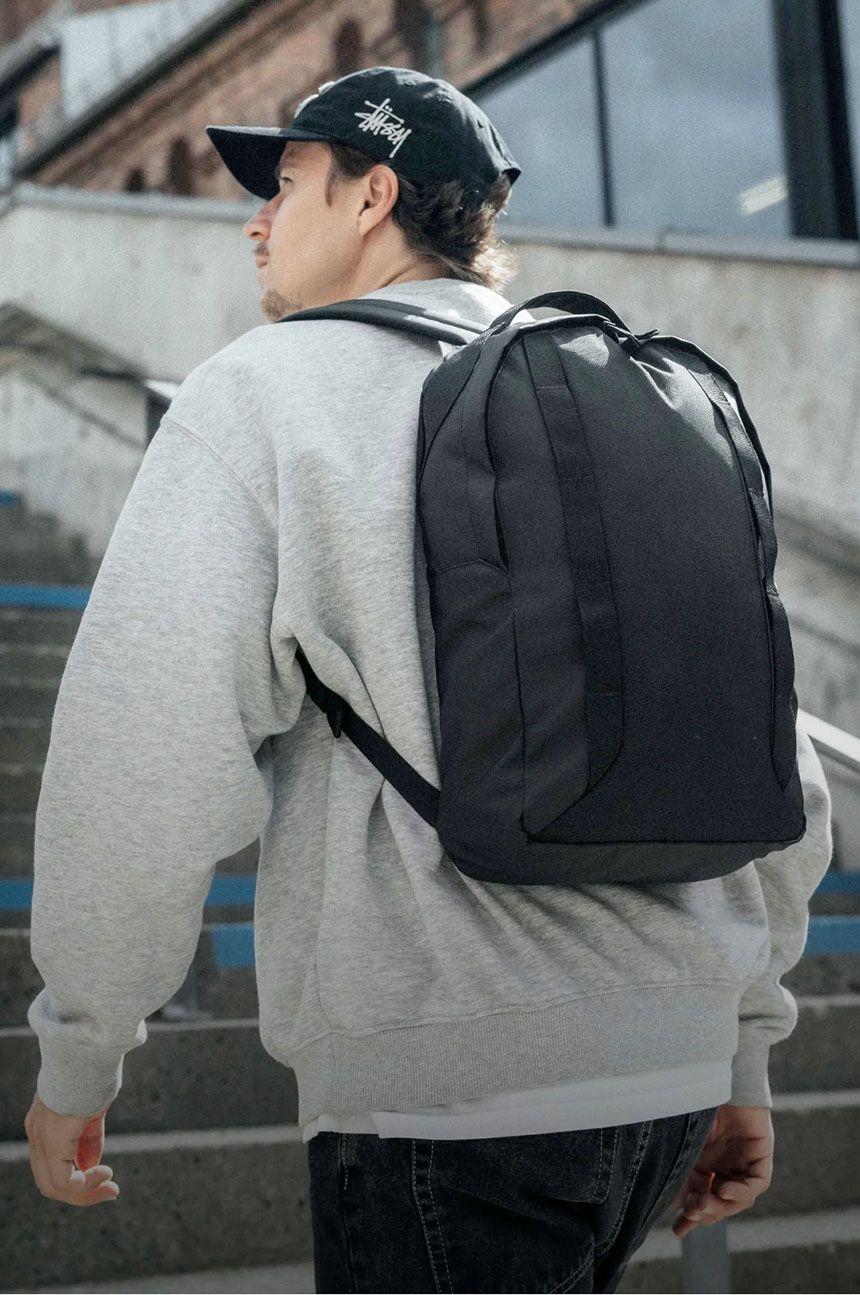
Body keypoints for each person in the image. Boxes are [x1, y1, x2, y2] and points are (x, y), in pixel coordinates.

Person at [24, 66, 833, 1293]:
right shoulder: (635, 393)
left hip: (445, 1096)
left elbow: (143, 755)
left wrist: (81, 1048)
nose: (254, 221)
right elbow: (761, 740)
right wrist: (742, 1052)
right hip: (670, 1073)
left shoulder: (262, 391)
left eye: (286, 184)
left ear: (372, 197)